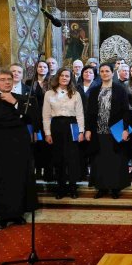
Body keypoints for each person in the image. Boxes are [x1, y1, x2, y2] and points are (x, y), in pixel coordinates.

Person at [0, 69, 37, 229]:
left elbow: (32, 116)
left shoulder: (20, 98)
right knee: (0, 179)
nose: (7, 82)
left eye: (9, 79)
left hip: (19, 146)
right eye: (2, 79)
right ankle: (1, 216)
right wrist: (18, 117)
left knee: (18, 178)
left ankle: (17, 213)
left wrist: (14, 102)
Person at [85, 63, 131, 199]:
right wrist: (88, 129)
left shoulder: (120, 89)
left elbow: (126, 111)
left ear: (112, 73)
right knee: (99, 161)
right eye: (102, 71)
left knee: (115, 161)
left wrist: (125, 129)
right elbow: (90, 112)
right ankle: (101, 188)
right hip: (98, 131)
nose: (104, 73)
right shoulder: (94, 90)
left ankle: (115, 188)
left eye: (107, 71)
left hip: (114, 131)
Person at [43, 67, 85, 199]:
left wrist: (81, 131)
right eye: (62, 75)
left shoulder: (75, 93)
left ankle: (73, 187)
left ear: (70, 78)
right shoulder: (49, 94)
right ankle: (61, 187)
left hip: (72, 125)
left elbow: (80, 114)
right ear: (58, 77)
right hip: (56, 126)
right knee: (59, 157)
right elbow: (46, 115)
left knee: (72, 158)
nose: (64, 78)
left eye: (67, 76)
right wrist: (47, 133)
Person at [27, 61, 52, 181]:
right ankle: (36, 170)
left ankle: (48, 171)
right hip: (34, 117)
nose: (42, 68)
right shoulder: (29, 83)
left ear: (48, 69)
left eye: (45, 67)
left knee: (48, 145)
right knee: (36, 144)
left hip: (48, 117)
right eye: (40, 66)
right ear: (36, 69)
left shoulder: (52, 83)